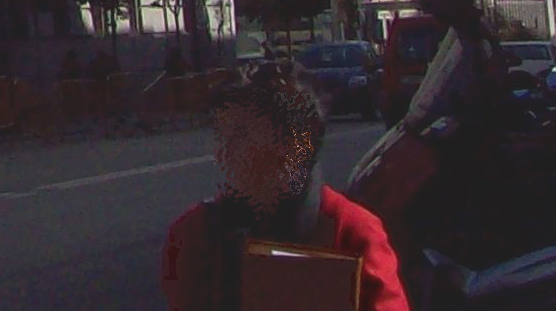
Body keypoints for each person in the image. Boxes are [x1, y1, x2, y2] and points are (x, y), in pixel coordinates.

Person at [162, 63, 408, 310]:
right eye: (222, 137)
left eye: (241, 137)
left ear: (295, 145)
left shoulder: (353, 233)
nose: (223, 153)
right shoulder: (195, 235)